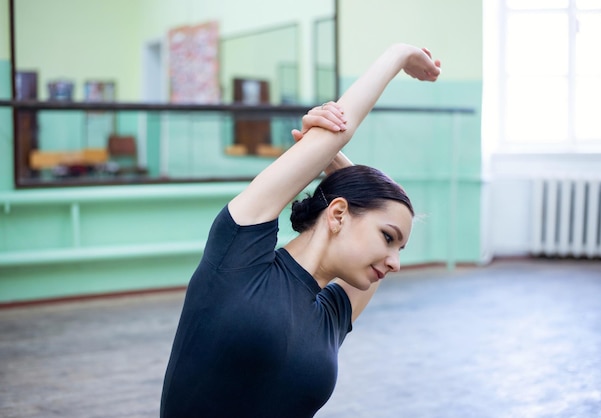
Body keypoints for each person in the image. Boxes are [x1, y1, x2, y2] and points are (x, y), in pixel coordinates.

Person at [160, 43, 441, 418]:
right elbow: (341, 131)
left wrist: (338, 169)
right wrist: (399, 55)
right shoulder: (238, 257)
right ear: (337, 214)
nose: (394, 263)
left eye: (400, 249)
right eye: (388, 238)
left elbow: (361, 193)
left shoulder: (335, 313)